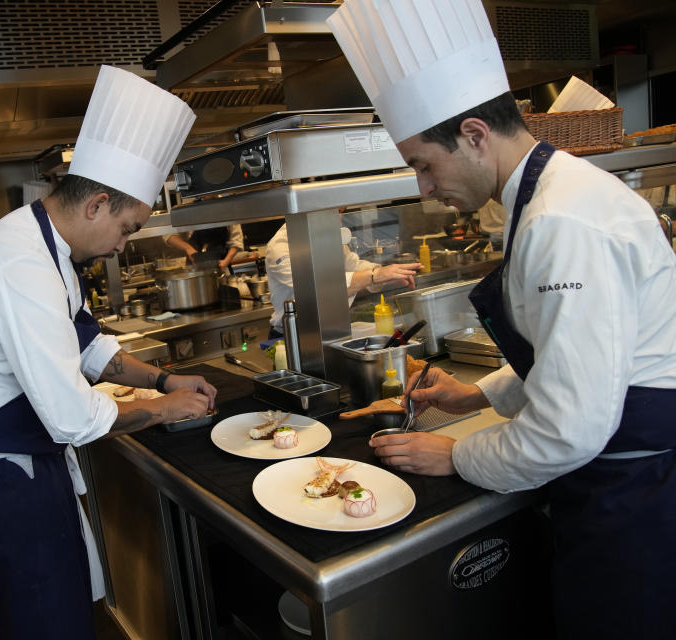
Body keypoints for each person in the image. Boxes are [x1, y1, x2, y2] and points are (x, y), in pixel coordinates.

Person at [328, 1, 676, 637]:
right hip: (622, 476)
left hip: (636, 490)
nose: (423, 189)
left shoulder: (558, 220)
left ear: (475, 134)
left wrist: (457, 454)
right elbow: (575, 357)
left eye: (423, 165)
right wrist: (473, 395)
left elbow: (571, 426)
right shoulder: (553, 195)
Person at [0, 65, 215, 639]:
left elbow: (87, 344)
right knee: (36, 624)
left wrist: (161, 380)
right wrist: (164, 411)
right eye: (128, 229)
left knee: (56, 611)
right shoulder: (21, 264)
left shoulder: (48, 249)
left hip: (20, 468)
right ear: (96, 205)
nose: (122, 245)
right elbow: (72, 417)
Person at [265, 217, 420, 338]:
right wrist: (375, 276)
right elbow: (320, 287)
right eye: (333, 212)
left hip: (333, 331)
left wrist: (386, 274)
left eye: (340, 211)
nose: (339, 219)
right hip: (291, 336)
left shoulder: (327, 234)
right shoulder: (279, 248)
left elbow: (352, 265)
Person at [166, 224, 245, 271]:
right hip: (194, 269)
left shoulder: (226, 207)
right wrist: (188, 248)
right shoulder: (189, 209)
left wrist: (226, 261)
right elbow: (167, 234)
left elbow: (237, 241)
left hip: (220, 267)